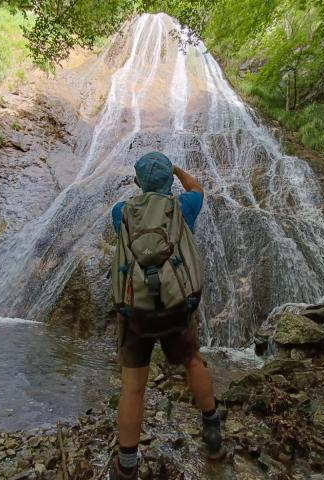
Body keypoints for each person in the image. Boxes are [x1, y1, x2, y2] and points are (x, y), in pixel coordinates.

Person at [109, 152, 223, 480]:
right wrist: (176, 169)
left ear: (137, 182)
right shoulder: (183, 207)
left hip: (137, 311)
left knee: (133, 386)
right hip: (176, 306)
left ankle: (127, 465)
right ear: (168, 182)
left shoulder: (121, 212)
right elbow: (198, 188)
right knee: (193, 362)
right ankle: (213, 432)